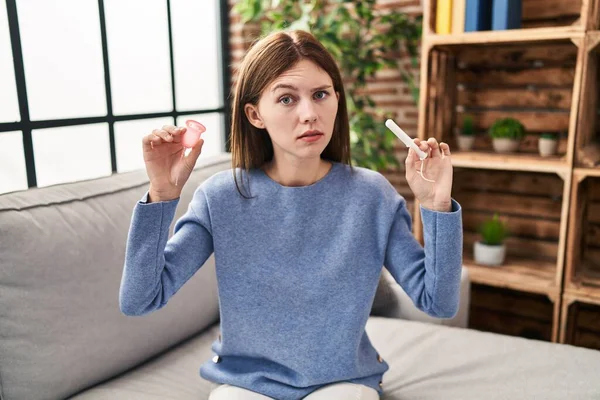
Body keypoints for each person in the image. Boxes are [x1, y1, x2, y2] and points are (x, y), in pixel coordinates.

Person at [119, 29, 463, 400]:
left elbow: (438, 302)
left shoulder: (372, 195)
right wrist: (162, 195)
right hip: (245, 384)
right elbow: (141, 299)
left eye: (320, 94)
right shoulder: (220, 197)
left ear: (336, 99)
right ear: (255, 115)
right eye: (286, 98)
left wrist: (435, 205)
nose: (310, 114)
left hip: (343, 383)